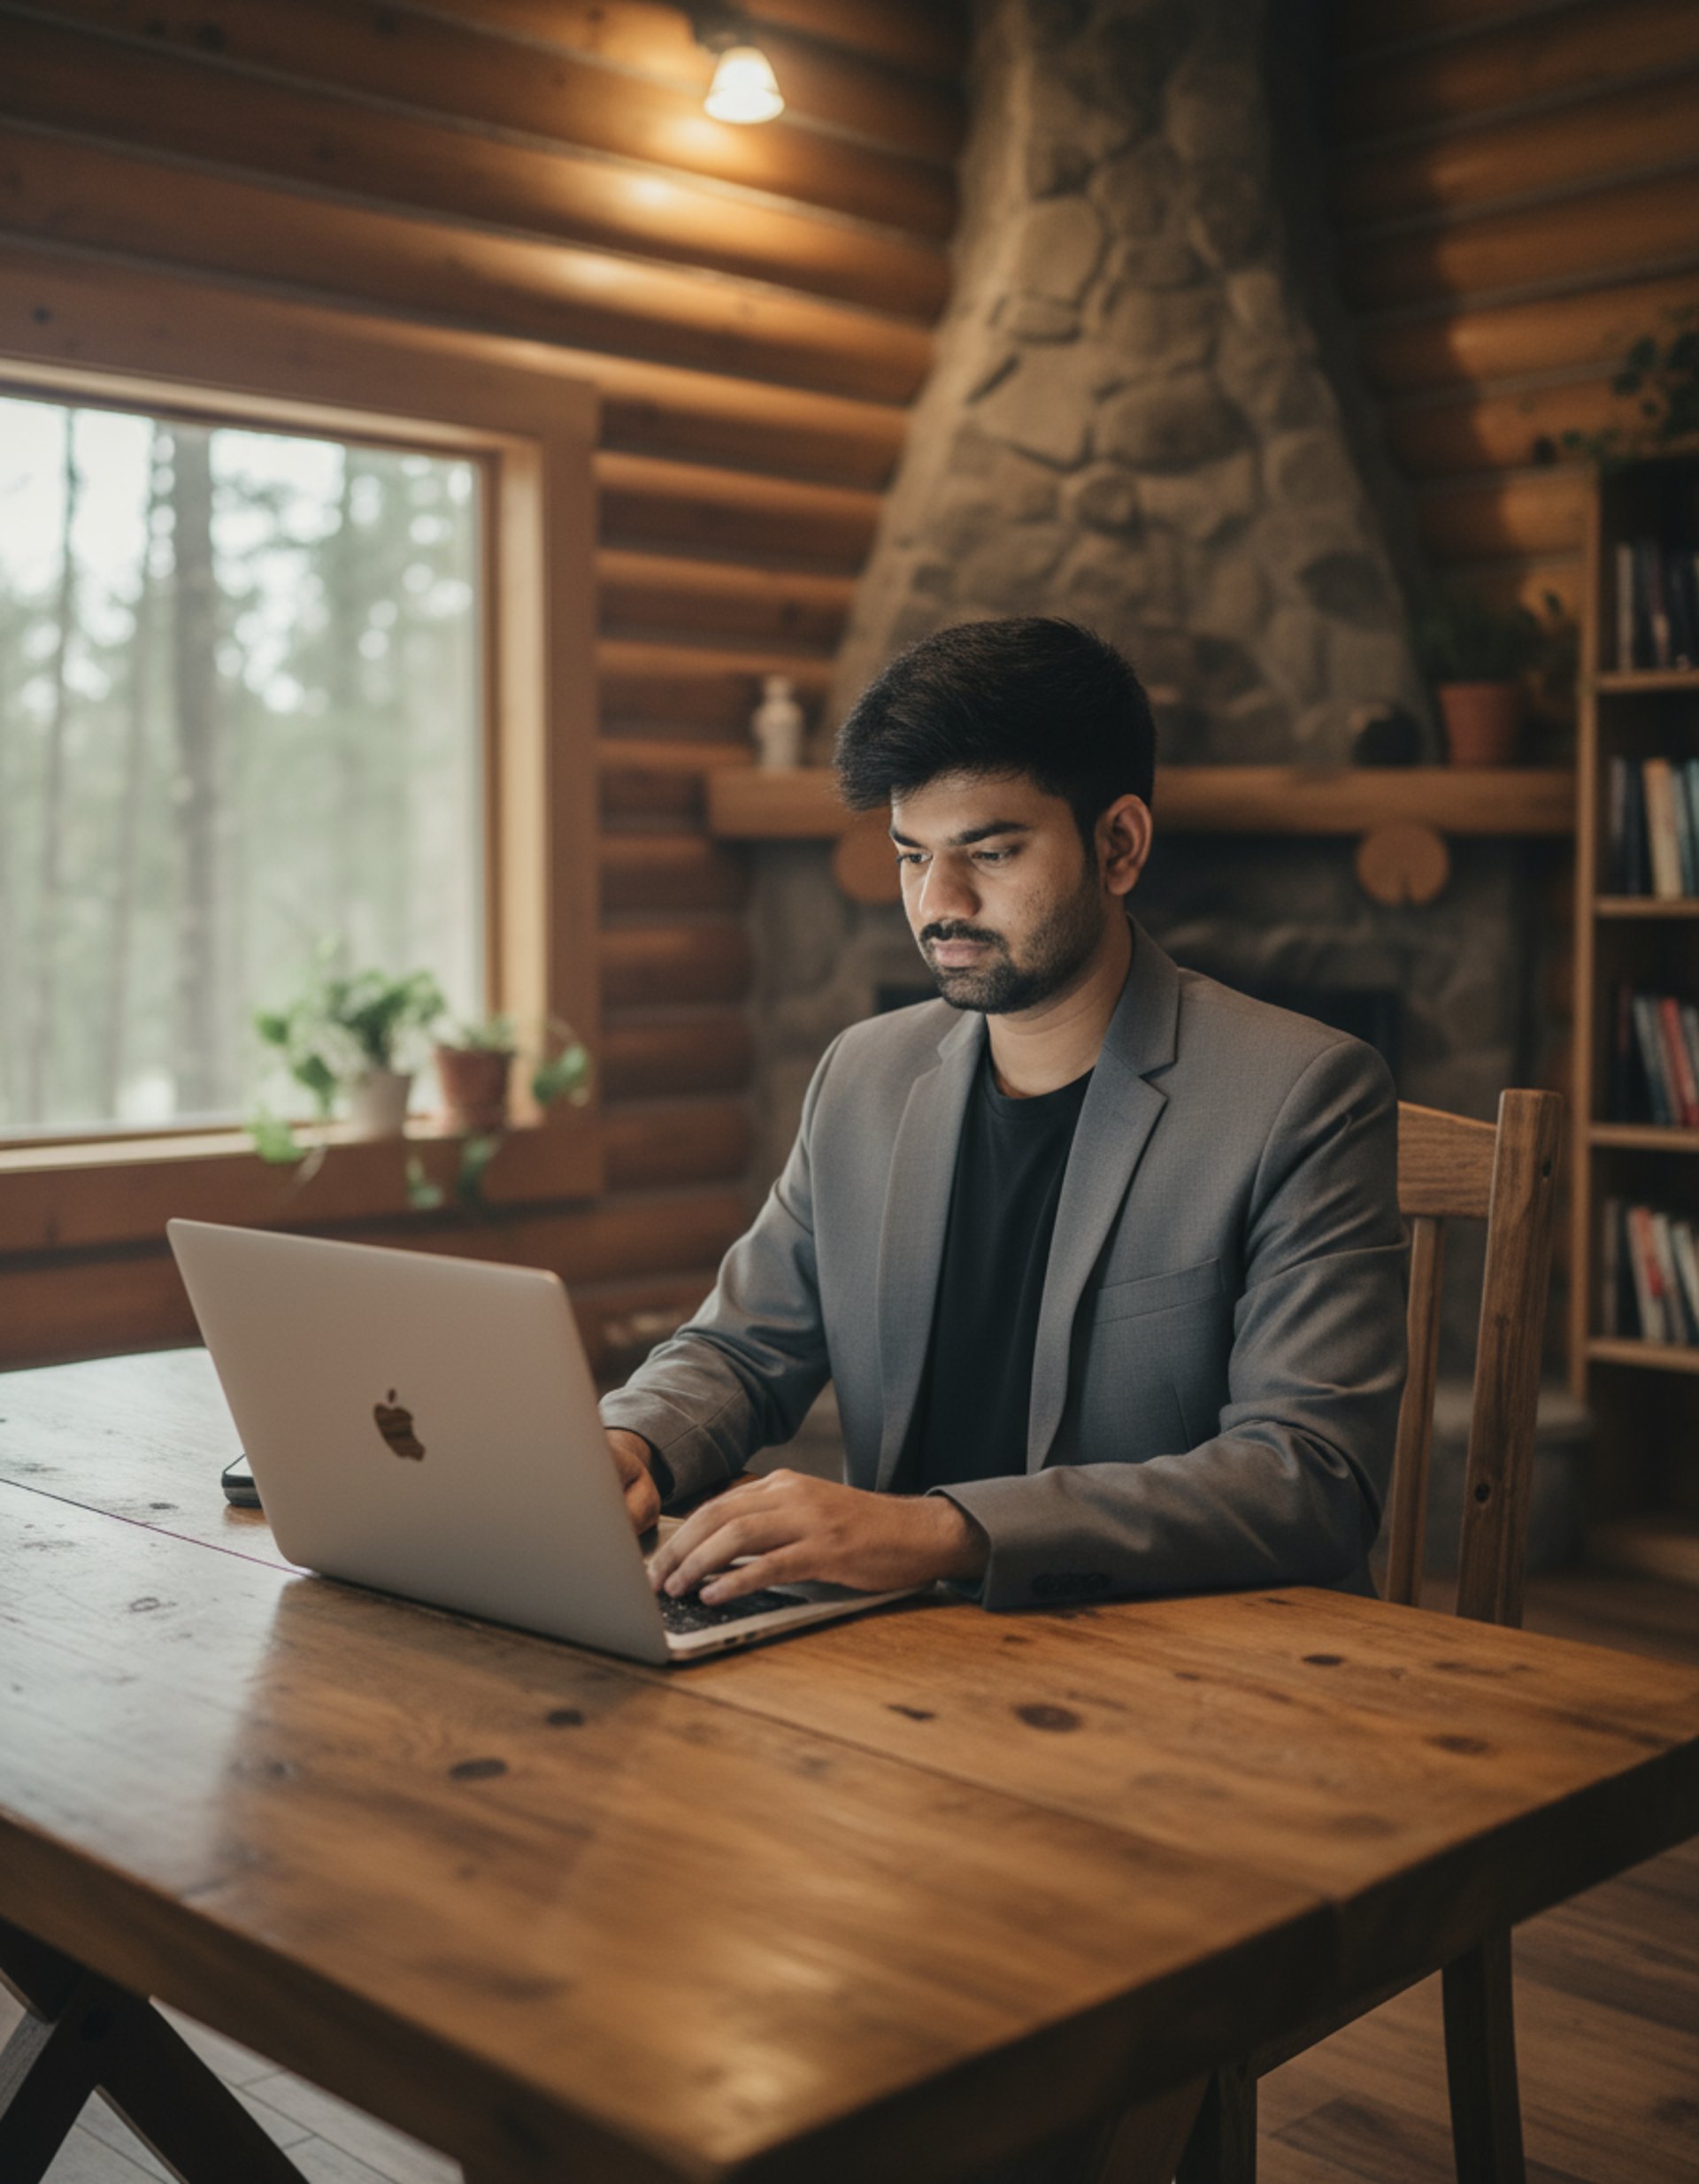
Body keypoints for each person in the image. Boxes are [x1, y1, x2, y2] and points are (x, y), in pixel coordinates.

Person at [602, 617, 1406, 1611]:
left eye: (988, 851)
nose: (938, 902)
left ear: (1118, 844)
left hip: (1190, 1672)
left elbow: (1310, 1478)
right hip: (902, 1651)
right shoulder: (863, 1073)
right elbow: (743, 1343)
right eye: (911, 855)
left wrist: (938, 1530)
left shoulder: (1305, 1093)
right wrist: (630, 1439)